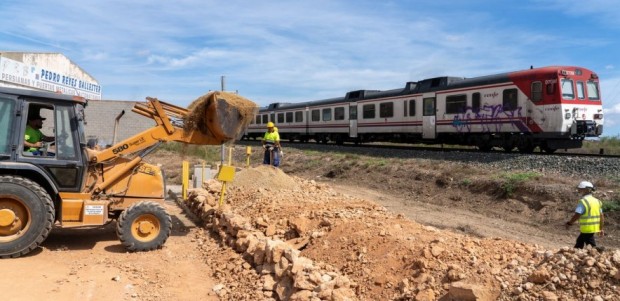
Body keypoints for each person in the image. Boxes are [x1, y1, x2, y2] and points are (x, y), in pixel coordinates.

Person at [565, 181, 604, 249]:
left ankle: (598, 252)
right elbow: (602, 216)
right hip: (594, 227)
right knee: (580, 241)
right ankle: (576, 252)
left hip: (587, 228)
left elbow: (577, 215)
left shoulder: (583, 201)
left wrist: (570, 223)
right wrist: (601, 228)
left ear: (586, 190)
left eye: (580, 189)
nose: (579, 190)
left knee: (591, 245)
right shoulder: (597, 201)